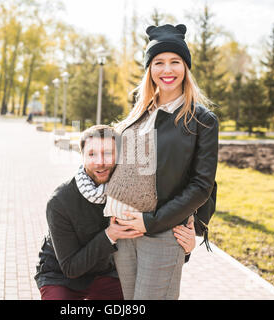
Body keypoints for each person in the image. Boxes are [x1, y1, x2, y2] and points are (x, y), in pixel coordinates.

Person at [103, 24, 219, 300]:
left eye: (175, 62)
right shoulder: (139, 115)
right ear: (149, 69)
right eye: (159, 63)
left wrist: (154, 222)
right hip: (123, 231)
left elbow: (202, 185)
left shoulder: (202, 120)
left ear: (186, 68)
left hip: (163, 231)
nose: (167, 70)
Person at [34, 125, 197, 300]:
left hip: (108, 274)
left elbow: (152, 242)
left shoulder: (135, 193)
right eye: (92, 154)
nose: (100, 162)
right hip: (62, 276)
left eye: (108, 153)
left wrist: (185, 249)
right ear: (82, 156)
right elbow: (70, 268)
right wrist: (109, 235)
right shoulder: (60, 202)